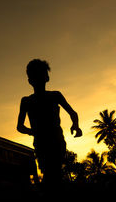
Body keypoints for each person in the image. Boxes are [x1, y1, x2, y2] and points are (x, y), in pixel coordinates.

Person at [17, 59, 82, 189]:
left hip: (56, 142)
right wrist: (33, 132)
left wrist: (76, 125)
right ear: (30, 80)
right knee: (51, 174)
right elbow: (19, 127)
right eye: (36, 76)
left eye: (41, 75)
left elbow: (73, 113)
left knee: (54, 174)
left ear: (47, 77)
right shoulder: (26, 101)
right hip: (42, 143)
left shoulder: (55, 96)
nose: (39, 78)